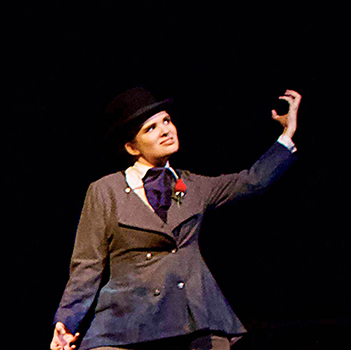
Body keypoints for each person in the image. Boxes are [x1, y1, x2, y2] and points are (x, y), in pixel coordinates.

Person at [50, 87, 301, 350]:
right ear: (131, 147)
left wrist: (287, 134)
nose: (166, 131)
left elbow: (253, 180)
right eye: (151, 129)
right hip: (126, 325)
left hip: (194, 318)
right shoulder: (105, 191)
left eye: (167, 121)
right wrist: (67, 322)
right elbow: (87, 264)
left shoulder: (192, 185)